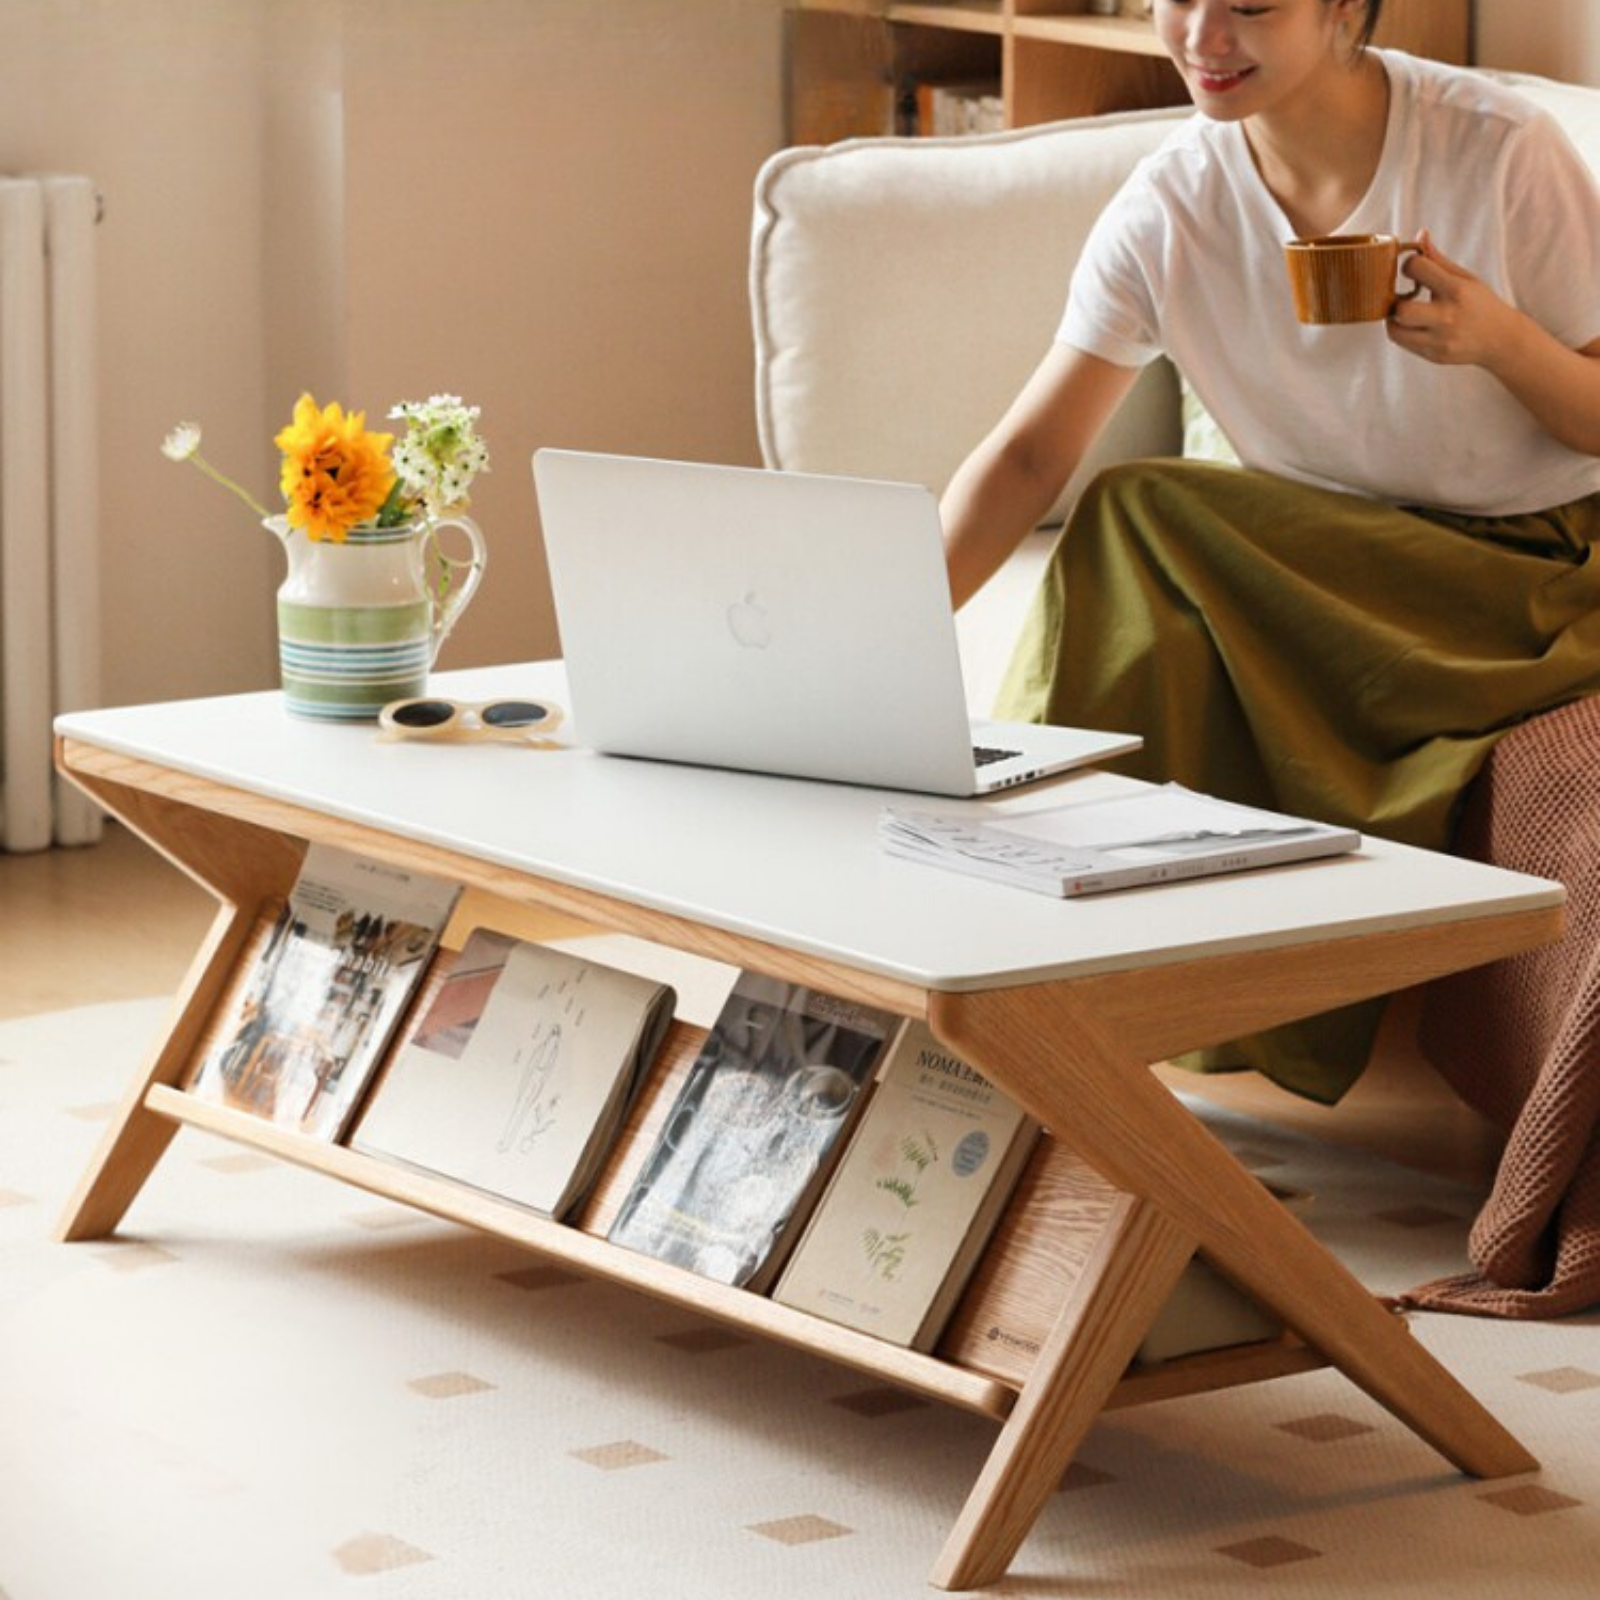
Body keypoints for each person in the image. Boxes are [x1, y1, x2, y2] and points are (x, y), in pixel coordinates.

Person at [941, 0, 1600, 1101]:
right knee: (1134, 517)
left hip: (1527, 579)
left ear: (1343, 6)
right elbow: (1026, 456)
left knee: (1147, 514)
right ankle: (1029, 976)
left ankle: (1047, 984)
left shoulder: (1494, 148)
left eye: (1250, 6)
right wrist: (879, 634)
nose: (1203, 35)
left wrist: (1500, 342)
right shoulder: (1174, 203)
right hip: (1334, 579)